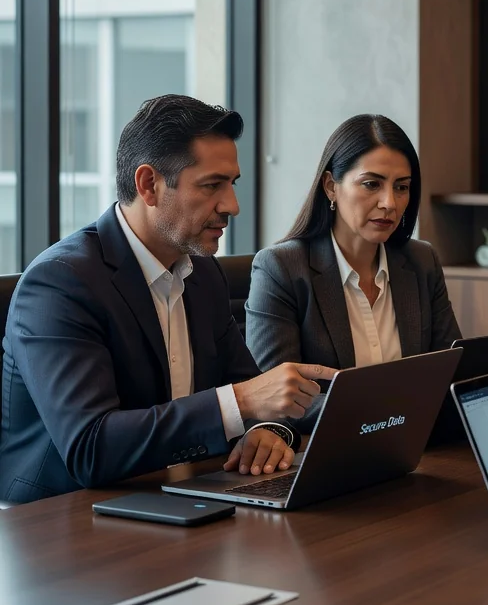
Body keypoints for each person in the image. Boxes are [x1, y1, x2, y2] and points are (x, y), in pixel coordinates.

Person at [0, 95, 336, 505]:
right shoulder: (60, 284)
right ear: (149, 185)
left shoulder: (203, 271)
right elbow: (90, 449)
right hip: (63, 520)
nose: (232, 206)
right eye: (212, 185)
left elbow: (255, 399)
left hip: (179, 495)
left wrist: (268, 432)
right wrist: (242, 402)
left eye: (232, 184)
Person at [245, 115, 460, 424]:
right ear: (331, 186)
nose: (390, 203)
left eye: (401, 187)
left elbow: (451, 370)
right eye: (371, 184)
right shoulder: (281, 268)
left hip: (415, 447)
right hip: (322, 453)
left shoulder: (421, 260)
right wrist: (389, 406)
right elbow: (274, 400)